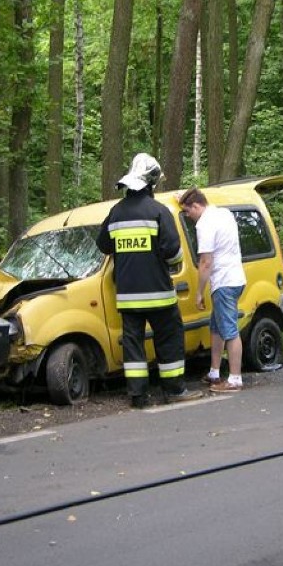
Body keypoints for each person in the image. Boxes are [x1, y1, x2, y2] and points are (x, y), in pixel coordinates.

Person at [96, 154, 202, 408]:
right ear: (150, 182)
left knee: (133, 345)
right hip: (158, 293)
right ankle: (174, 390)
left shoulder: (115, 213)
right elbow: (174, 252)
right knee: (169, 338)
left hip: (128, 296)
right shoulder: (158, 211)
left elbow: (103, 245)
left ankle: (138, 396)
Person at [177, 187, 247, 393]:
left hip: (224, 282)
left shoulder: (204, 225)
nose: (188, 217)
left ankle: (235, 379)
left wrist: (199, 291)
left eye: (188, 212)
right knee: (216, 327)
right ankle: (214, 372)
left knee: (229, 330)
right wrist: (182, 198)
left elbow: (206, 262)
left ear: (197, 206)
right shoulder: (223, 213)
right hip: (236, 278)